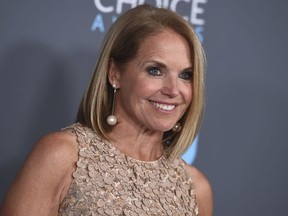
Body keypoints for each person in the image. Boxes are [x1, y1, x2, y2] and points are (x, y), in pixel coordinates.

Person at [0, 4, 212, 216]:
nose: (173, 90)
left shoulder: (196, 188)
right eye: (155, 71)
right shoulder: (62, 156)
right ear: (114, 74)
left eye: (186, 76)